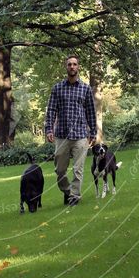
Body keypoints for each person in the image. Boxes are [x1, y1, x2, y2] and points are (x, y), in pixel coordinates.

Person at [44, 54, 97, 206]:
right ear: (66, 67)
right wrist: (49, 129)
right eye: (69, 64)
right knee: (60, 171)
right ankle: (67, 191)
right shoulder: (57, 88)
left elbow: (91, 112)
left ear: (78, 67)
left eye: (74, 64)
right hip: (62, 135)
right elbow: (51, 110)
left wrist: (92, 132)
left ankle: (75, 196)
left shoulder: (85, 88)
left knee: (78, 169)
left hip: (81, 135)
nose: (72, 66)